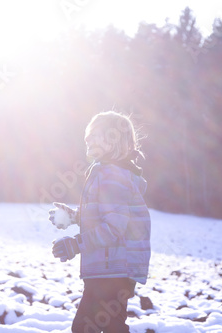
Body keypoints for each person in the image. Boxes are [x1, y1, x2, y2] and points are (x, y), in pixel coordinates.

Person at [49, 111, 151, 333]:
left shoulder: (113, 177)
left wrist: (75, 244)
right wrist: (75, 217)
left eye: (96, 135)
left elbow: (114, 228)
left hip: (113, 270)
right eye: (88, 135)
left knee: (90, 328)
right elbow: (106, 217)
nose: (88, 139)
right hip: (106, 267)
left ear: (115, 140)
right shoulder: (106, 173)